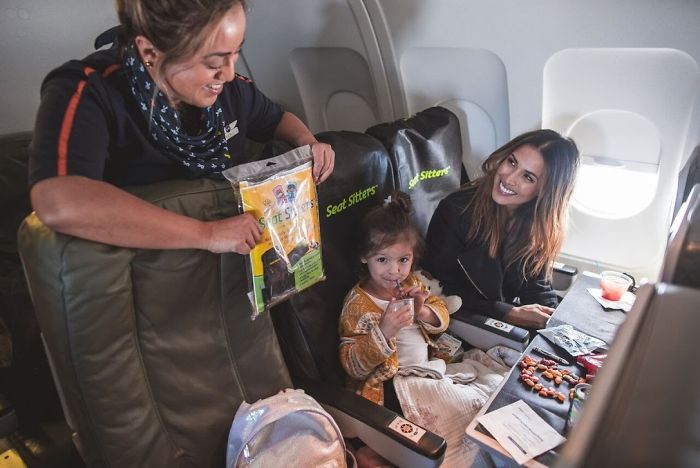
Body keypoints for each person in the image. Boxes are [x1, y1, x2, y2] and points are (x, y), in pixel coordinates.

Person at [28, 0, 335, 254]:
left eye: (235, 53)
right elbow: (59, 201)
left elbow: (275, 119)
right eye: (213, 63)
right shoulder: (88, 90)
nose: (229, 74)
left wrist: (308, 142)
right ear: (151, 53)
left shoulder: (232, 91)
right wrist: (208, 234)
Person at [423, 129, 580, 329]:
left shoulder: (537, 224)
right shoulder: (455, 211)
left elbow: (537, 287)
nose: (509, 178)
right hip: (462, 320)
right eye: (512, 162)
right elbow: (440, 286)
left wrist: (556, 323)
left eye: (528, 177)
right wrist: (506, 313)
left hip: (502, 313)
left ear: (545, 191)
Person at [338, 192, 449, 409]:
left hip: (426, 369)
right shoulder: (357, 305)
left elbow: (442, 313)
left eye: (403, 260)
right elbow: (353, 367)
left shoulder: (410, 282)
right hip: (391, 387)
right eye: (382, 259)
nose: (394, 270)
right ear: (364, 256)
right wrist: (384, 331)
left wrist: (422, 311)